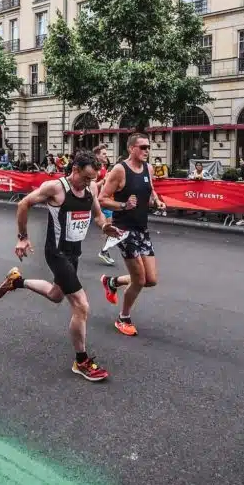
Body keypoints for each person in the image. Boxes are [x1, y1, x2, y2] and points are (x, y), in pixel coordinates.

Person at [0, 150, 122, 382]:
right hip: (56, 253)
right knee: (81, 306)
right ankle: (81, 361)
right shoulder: (55, 188)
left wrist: (105, 227)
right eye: (85, 177)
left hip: (74, 253)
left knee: (55, 295)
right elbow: (24, 203)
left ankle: (17, 281)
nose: (89, 183)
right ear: (74, 170)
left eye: (92, 179)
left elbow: (97, 216)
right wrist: (22, 237)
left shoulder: (91, 188)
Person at [97, 133, 167, 336]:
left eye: (148, 147)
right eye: (143, 147)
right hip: (124, 230)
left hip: (142, 229)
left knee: (151, 279)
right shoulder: (120, 170)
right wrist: (123, 205)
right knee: (139, 280)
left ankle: (113, 282)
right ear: (131, 148)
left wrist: (157, 201)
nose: (147, 151)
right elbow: (102, 199)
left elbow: (151, 190)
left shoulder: (148, 168)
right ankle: (123, 318)